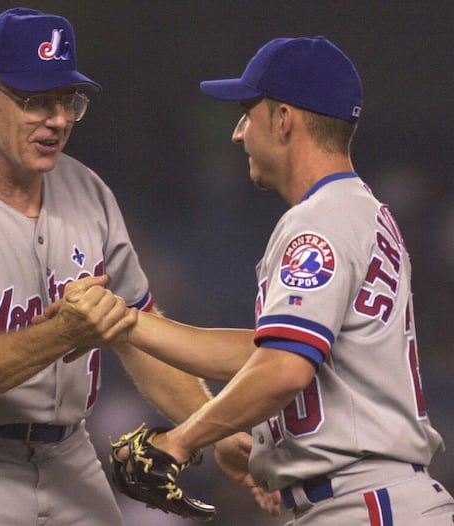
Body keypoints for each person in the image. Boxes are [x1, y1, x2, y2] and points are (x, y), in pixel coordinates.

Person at [0, 8, 250, 525]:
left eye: (67, 100)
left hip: (67, 452)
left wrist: (212, 427)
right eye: (35, 101)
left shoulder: (88, 192)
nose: (58, 118)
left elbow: (141, 335)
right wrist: (62, 333)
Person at [62, 36, 454, 524]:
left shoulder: (320, 221)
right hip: (369, 499)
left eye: (248, 112)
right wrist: (124, 324)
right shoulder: (358, 211)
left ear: (284, 119)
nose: (238, 132)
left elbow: (284, 370)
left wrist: (181, 441)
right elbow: (267, 353)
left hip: (362, 504)